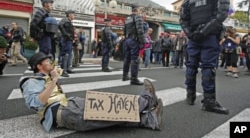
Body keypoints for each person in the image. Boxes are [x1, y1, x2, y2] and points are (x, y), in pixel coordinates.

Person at [20, 52, 163, 132]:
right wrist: (53, 80)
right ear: (39, 66)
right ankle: (147, 100)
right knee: (109, 109)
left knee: (108, 114)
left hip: (69, 104)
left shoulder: (47, 77)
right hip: (63, 112)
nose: (50, 63)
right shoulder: (31, 81)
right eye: (46, 62)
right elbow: (35, 103)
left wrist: (52, 78)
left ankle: (149, 119)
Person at [179, 0, 230, 114]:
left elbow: (183, 20)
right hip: (209, 37)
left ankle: (190, 96)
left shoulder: (188, 0)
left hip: (194, 38)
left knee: (191, 65)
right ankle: (209, 102)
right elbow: (221, 15)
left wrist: (192, 34)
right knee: (208, 67)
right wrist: (205, 32)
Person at [122, 4, 146, 84]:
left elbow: (124, 31)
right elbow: (140, 30)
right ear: (137, 9)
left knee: (127, 58)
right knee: (134, 59)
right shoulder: (138, 17)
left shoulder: (127, 18)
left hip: (127, 40)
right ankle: (134, 79)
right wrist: (143, 41)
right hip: (134, 40)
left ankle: (125, 76)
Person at [58, 10, 75, 77]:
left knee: (70, 55)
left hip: (69, 41)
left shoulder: (69, 22)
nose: (74, 16)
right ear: (69, 14)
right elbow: (59, 25)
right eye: (73, 14)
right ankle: (63, 71)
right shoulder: (64, 20)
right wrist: (66, 34)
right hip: (65, 40)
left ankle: (67, 68)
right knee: (65, 55)